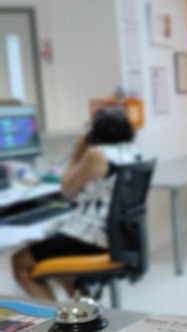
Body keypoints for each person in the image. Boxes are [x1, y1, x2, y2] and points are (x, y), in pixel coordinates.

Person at [11, 107, 140, 300]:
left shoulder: (97, 154)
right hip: (120, 237)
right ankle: (84, 310)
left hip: (93, 238)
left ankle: (53, 319)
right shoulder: (133, 152)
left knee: (20, 262)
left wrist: (79, 150)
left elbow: (67, 189)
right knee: (57, 259)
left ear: (95, 131)